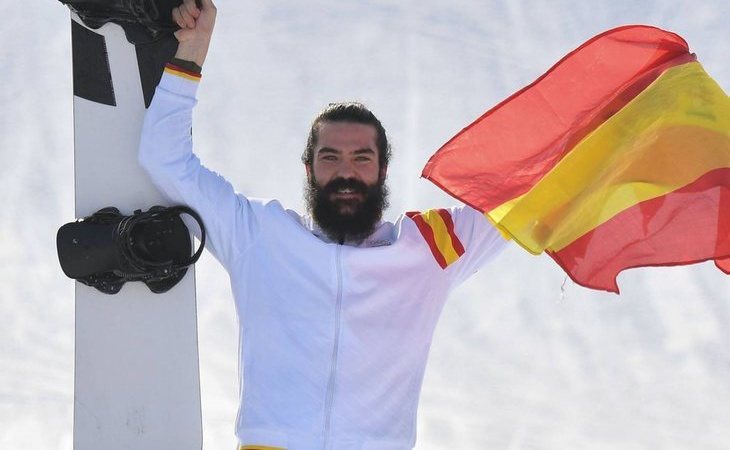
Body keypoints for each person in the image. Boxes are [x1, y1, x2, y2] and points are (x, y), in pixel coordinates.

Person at [139, 0, 507, 448]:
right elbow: (166, 160)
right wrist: (192, 51)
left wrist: (613, 128)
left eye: (361, 158)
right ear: (310, 170)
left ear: (383, 170)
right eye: (330, 157)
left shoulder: (429, 249)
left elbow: (530, 195)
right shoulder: (260, 236)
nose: (346, 172)